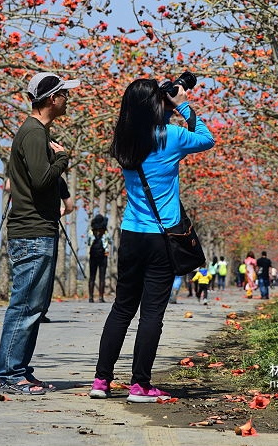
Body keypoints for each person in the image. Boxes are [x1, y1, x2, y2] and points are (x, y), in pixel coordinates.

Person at [89, 76, 215, 403]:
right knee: (151, 314)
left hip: (131, 235)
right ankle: (140, 385)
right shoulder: (170, 137)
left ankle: (101, 381)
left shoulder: (123, 141)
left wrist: (160, 106)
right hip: (162, 238)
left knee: (121, 309)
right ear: (156, 104)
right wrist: (182, 104)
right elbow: (206, 138)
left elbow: (146, 126)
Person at [0, 71, 80, 396]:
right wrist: (62, 159)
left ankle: (20, 370)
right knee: (25, 305)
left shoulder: (39, 133)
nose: (67, 99)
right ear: (51, 99)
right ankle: (9, 374)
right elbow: (43, 180)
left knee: (35, 306)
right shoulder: (32, 134)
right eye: (64, 94)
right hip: (31, 232)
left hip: (39, 229)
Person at [40, 176, 74, 322]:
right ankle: (41, 311)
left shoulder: (24, 174)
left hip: (23, 228)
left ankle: (22, 309)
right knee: (47, 272)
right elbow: (70, 206)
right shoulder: (57, 180)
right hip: (48, 229)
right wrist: (60, 212)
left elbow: (9, 186)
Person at [88, 213, 110, 303]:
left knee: (92, 277)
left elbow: (88, 243)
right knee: (102, 277)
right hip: (103, 256)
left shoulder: (91, 232)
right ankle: (101, 297)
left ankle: (91, 297)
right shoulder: (105, 233)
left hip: (93, 256)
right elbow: (111, 241)